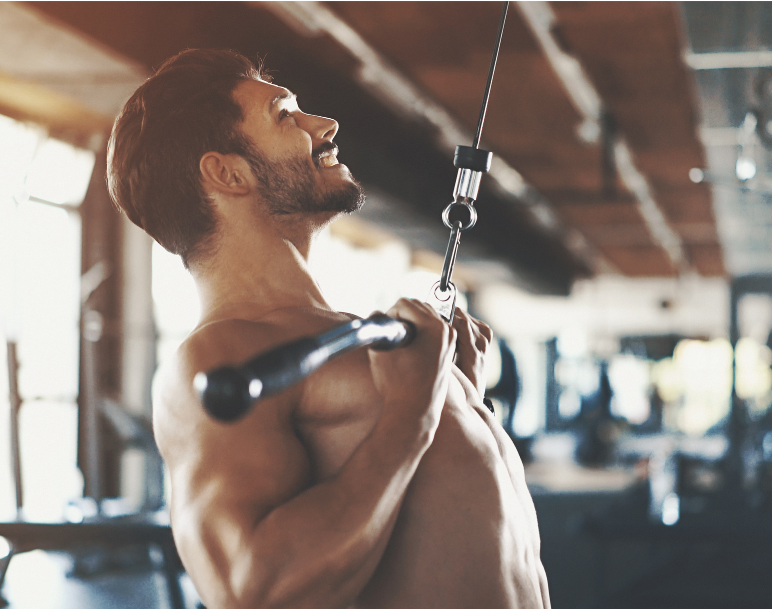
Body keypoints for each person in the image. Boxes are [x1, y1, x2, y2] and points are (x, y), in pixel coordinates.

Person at [108, 49, 550, 609]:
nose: (325, 124)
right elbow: (256, 587)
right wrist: (410, 416)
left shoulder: (352, 338)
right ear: (227, 173)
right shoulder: (221, 356)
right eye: (285, 115)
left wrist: (459, 392)